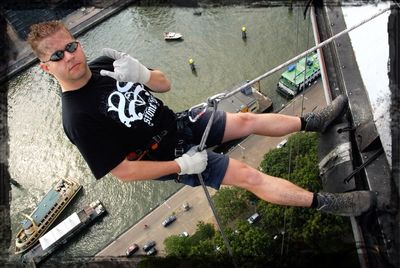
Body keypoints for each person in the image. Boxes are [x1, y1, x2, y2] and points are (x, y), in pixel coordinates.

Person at [27, 20, 376, 217]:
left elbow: (165, 83)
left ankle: (315, 122)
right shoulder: (76, 116)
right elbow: (122, 172)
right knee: (249, 176)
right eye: (58, 55)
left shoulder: (105, 63)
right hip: (165, 157)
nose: (70, 56)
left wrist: (142, 74)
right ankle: (328, 203)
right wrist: (181, 166)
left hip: (175, 122)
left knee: (246, 121)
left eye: (72, 46)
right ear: (46, 67)